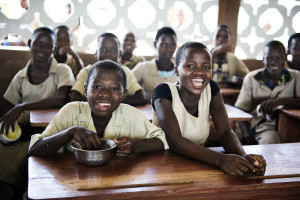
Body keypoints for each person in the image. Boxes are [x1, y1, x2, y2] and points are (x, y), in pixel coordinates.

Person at [152, 41, 266, 176]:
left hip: (198, 162)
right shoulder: (163, 92)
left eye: (206, 67)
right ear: (176, 70)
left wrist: (243, 156)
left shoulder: (211, 88)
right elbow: (174, 139)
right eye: (190, 66)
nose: (200, 72)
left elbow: (225, 132)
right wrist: (220, 159)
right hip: (163, 163)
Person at [28, 60, 168, 158]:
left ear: (124, 94)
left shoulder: (133, 116)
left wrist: (136, 146)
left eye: (114, 88)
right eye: (96, 87)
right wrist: (70, 132)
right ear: (85, 90)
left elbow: (163, 140)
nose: (105, 94)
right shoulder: (70, 112)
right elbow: (34, 149)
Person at [0, 27, 74, 200]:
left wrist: (22, 107)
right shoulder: (20, 77)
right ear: (30, 44)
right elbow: (8, 111)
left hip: (51, 133)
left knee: (20, 162)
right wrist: (13, 116)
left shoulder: (62, 70)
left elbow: (60, 99)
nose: (42, 48)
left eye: (48, 45)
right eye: (38, 43)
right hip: (23, 133)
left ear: (54, 49)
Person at [235, 40, 300, 145]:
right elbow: (240, 111)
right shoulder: (251, 78)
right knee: (270, 144)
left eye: (278, 58)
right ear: (263, 59)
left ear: (285, 58)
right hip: (253, 127)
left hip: (280, 128)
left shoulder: (296, 76)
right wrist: (248, 136)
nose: (273, 62)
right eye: (269, 58)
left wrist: (278, 101)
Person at [70, 32, 147, 106]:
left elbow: (141, 98)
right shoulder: (86, 72)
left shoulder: (125, 71)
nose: (108, 53)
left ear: (119, 54)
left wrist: (106, 101)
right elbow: (74, 97)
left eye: (113, 50)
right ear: (96, 53)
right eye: (103, 49)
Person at [133, 27, 178, 103]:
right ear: (155, 44)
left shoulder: (181, 68)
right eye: (164, 44)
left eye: (172, 45)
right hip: (150, 113)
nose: (168, 49)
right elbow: (126, 83)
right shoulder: (143, 67)